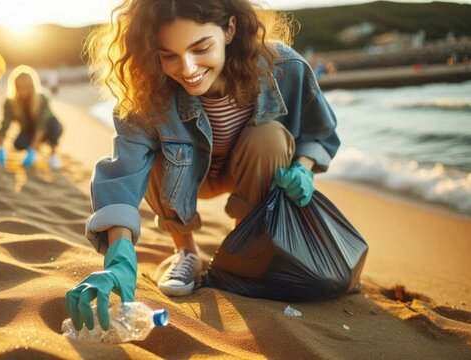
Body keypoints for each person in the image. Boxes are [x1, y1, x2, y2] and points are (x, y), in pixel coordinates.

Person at [66, 0, 340, 332]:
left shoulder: (283, 66)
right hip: (185, 175)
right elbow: (124, 169)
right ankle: (186, 253)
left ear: (229, 29)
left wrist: (304, 168)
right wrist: (119, 255)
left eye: (200, 48)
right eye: (169, 55)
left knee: (270, 136)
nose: (188, 68)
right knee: (150, 153)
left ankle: (244, 251)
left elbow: (318, 131)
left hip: (253, 167)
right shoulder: (147, 94)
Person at [0, 65, 63, 170]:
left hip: (47, 129)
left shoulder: (42, 98)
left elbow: (42, 125)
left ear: (32, 85)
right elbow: (4, 125)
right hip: (28, 130)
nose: (23, 90)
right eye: (19, 86)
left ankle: (53, 154)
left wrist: (32, 150)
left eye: (26, 86)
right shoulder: (10, 102)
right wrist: (0, 150)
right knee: (18, 144)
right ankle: (34, 149)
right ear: (14, 86)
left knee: (54, 124)